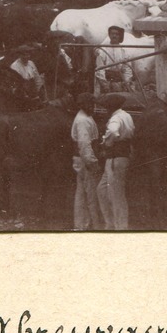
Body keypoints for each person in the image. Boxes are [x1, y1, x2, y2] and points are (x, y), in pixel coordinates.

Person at [96, 93, 135, 230]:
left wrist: (107, 142)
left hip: (115, 156)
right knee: (101, 190)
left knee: (116, 194)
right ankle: (110, 223)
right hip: (120, 155)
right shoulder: (126, 115)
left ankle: (120, 227)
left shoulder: (116, 118)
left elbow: (113, 131)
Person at [70, 93, 103, 231]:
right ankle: (92, 225)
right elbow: (84, 144)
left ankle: (82, 224)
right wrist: (92, 162)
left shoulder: (85, 117)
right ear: (84, 105)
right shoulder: (83, 120)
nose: (93, 107)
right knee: (90, 194)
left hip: (83, 159)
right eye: (90, 104)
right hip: (85, 160)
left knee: (82, 193)